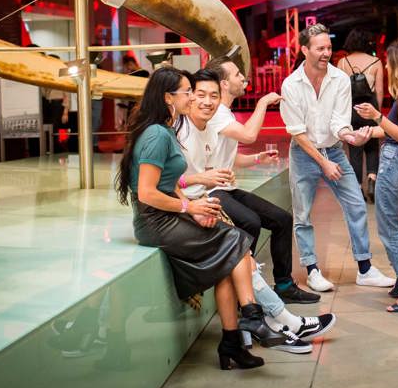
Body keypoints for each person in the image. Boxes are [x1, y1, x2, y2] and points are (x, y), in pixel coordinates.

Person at [115, 66, 281, 370]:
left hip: (169, 214)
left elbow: (169, 184)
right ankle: (252, 318)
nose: (193, 96)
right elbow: (147, 194)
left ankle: (233, 342)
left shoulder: (165, 130)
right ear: (168, 98)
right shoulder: (156, 135)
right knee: (237, 241)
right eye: (187, 91)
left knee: (228, 259)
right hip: (156, 222)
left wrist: (197, 207)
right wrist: (190, 209)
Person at [178, 69, 335, 351]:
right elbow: (160, 183)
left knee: (275, 223)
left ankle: (267, 312)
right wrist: (198, 187)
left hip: (207, 196)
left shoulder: (204, 126)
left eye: (212, 96)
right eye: (199, 95)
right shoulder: (180, 129)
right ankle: (273, 318)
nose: (207, 101)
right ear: (184, 98)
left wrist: (252, 161)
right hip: (200, 200)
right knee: (244, 236)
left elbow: (223, 159)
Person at [280, 23, 395, 292]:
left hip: (332, 150)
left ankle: (365, 269)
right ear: (305, 50)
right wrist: (323, 162)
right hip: (304, 152)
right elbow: (297, 133)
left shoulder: (340, 79)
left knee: (356, 205)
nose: (326, 53)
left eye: (329, 47)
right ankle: (312, 270)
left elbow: (338, 122)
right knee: (303, 214)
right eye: (320, 48)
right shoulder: (291, 85)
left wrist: (351, 137)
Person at [202, 55, 323, 306]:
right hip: (211, 190)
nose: (242, 78)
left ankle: (284, 285)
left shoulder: (224, 114)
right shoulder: (217, 114)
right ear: (224, 84)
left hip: (226, 187)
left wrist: (258, 158)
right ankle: (247, 286)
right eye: (236, 74)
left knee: (281, 219)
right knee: (251, 222)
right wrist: (263, 103)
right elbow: (248, 135)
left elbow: (231, 157)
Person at [353, 35, 398, 312]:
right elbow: (397, 130)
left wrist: (375, 118)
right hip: (396, 159)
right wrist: (369, 131)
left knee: (388, 228)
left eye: (390, 63)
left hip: (396, 162)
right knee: (389, 225)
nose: (387, 67)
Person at [337, 29, 384, 203]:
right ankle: (372, 180)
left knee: (354, 148)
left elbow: (339, 91)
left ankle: (357, 186)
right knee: (372, 145)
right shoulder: (376, 62)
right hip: (370, 107)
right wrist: (377, 113)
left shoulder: (342, 63)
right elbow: (379, 90)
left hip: (350, 108)